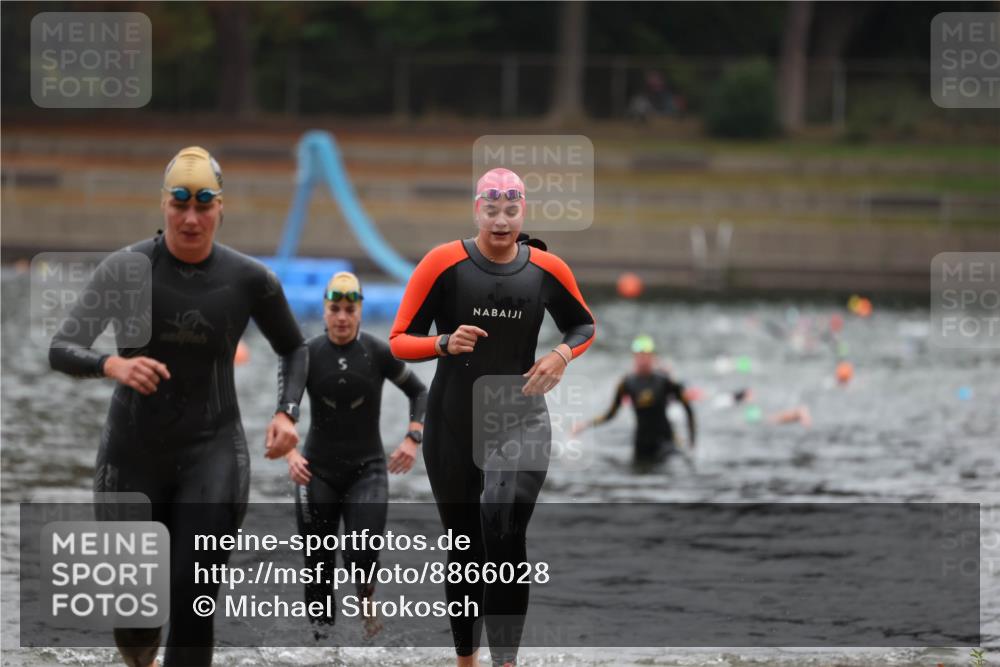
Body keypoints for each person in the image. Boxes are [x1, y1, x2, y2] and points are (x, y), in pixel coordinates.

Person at [49, 146, 307, 667]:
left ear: (220, 208)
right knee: (137, 614)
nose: (191, 218)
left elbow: (295, 348)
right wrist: (111, 366)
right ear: (164, 205)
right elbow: (62, 348)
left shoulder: (249, 279)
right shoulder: (126, 269)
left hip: (213, 451)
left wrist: (286, 411)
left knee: (194, 600)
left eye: (203, 204)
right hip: (133, 453)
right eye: (180, 204)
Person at [389, 167, 596, 667]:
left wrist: (561, 357)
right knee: (464, 547)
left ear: (522, 211)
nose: (500, 220)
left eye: (511, 209)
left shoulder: (546, 269)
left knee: (502, 528)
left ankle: (506, 662)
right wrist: (442, 342)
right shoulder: (443, 263)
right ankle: (467, 660)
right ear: (477, 209)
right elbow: (399, 339)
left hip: (518, 415)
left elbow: (583, 324)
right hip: (452, 421)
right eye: (490, 208)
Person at [285, 271, 427, 639]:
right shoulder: (308, 353)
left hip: (368, 469)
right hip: (316, 471)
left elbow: (420, 393)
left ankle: (366, 600)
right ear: (325, 311)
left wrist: (413, 437)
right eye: (335, 309)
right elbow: (285, 411)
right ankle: (322, 645)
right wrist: (290, 453)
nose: (343, 317)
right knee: (317, 567)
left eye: (350, 309)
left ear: (360, 311)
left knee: (361, 556)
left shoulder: (377, 351)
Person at [573, 334, 696, 470]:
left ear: (653, 358)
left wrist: (692, 442)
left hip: (666, 442)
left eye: (646, 356)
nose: (643, 360)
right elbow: (611, 413)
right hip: (641, 444)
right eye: (639, 356)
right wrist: (585, 425)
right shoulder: (627, 383)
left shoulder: (665, 381)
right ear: (634, 358)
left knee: (674, 471)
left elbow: (688, 409)